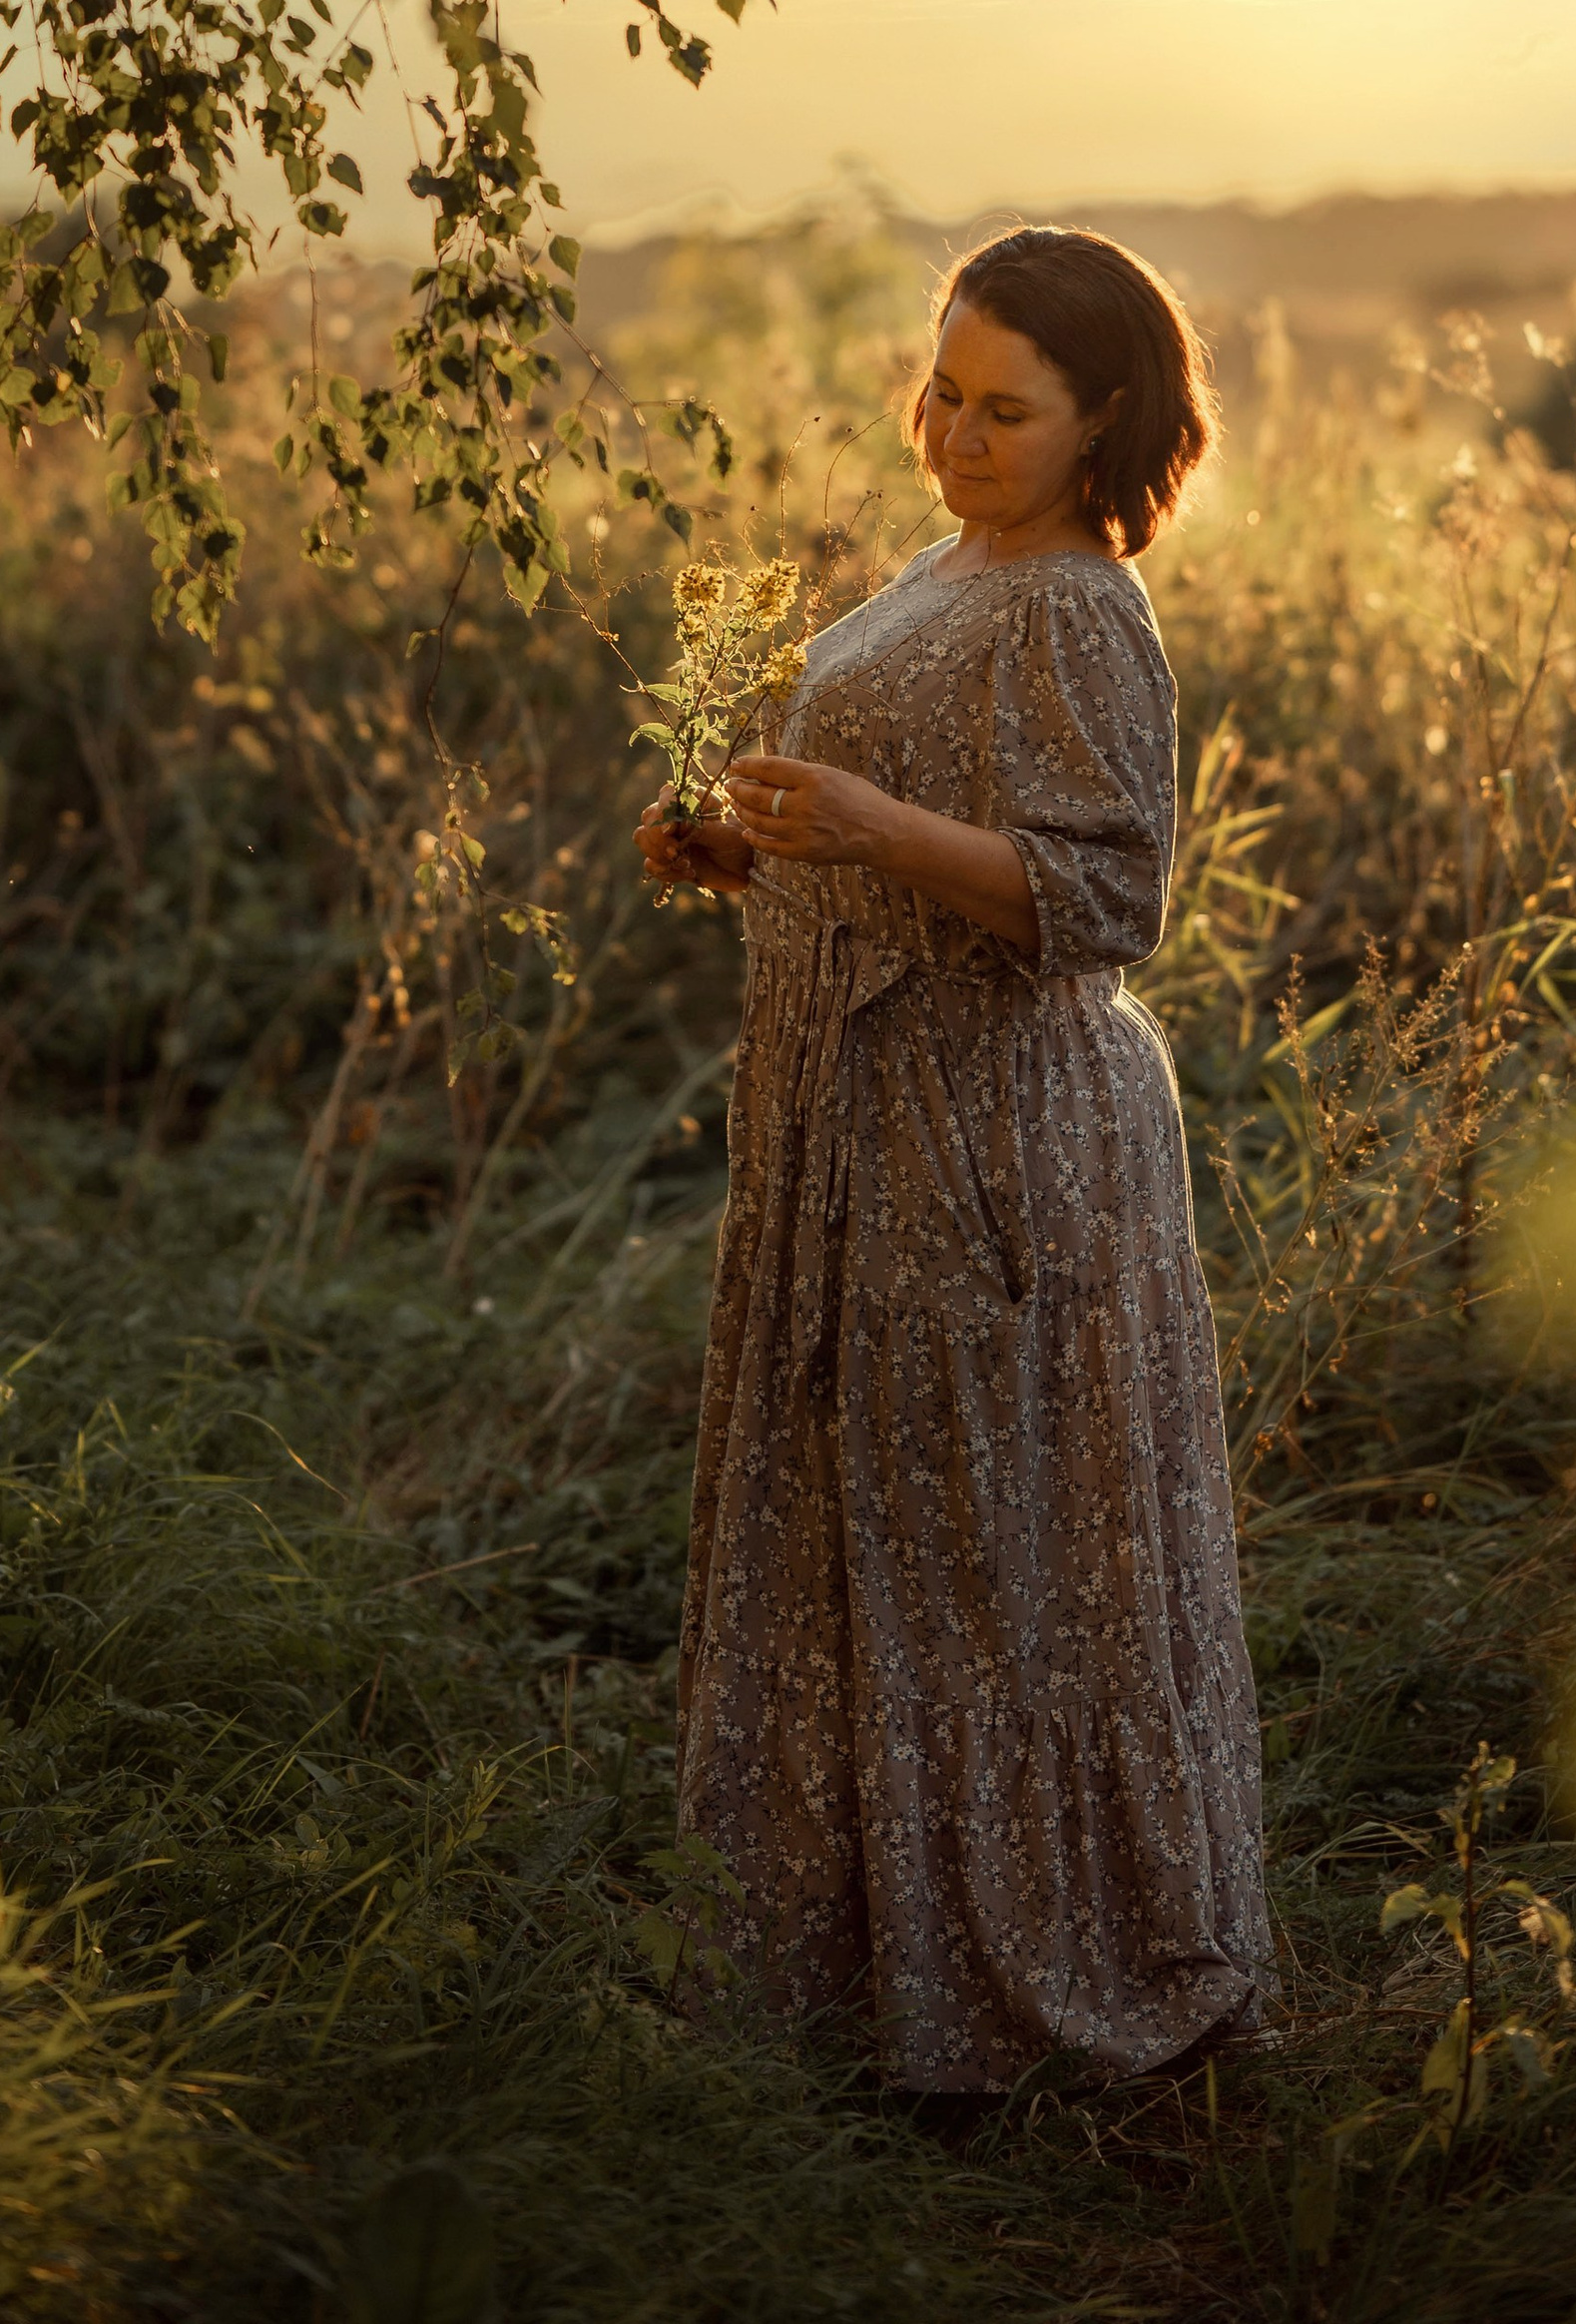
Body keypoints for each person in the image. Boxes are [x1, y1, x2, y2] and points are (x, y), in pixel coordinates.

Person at [636, 223, 1275, 2092]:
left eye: (1006, 411)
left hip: (992, 1129)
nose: (955, 433)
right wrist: (759, 848)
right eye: (942, 392)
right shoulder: (960, 557)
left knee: (989, 1554)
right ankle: (866, 1964)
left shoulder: (1076, 602)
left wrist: (873, 824)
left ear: (1106, 427)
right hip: (869, 1111)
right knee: (892, 1530)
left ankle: (1022, 1980)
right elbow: (913, 836)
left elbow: (1103, 890)